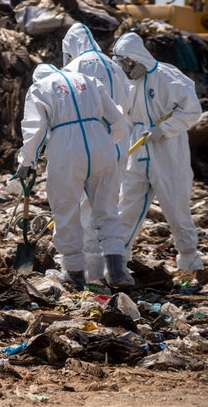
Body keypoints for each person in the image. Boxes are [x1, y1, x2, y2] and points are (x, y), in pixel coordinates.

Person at [16, 64, 132, 289]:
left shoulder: (39, 87)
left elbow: (35, 129)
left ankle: (75, 273)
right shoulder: (87, 80)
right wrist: (105, 142)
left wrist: (26, 162)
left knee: (66, 209)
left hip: (66, 148)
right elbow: (117, 120)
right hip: (100, 142)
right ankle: (118, 271)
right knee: (107, 208)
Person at [112, 32, 203, 270]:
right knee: (128, 203)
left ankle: (189, 261)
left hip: (167, 149)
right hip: (138, 148)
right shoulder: (129, 84)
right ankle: (118, 259)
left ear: (137, 57)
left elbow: (191, 110)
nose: (126, 69)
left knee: (175, 204)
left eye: (128, 63)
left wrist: (164, 128)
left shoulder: (167, 76)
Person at [61, 22, 131, 282]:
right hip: (117, 140)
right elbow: (126, 102)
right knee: (108, 205)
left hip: (88, 141)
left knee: (83, 206)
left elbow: (67, 99)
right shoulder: (113, 65)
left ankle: (89, 270)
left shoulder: (79, 65)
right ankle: (115, 268)